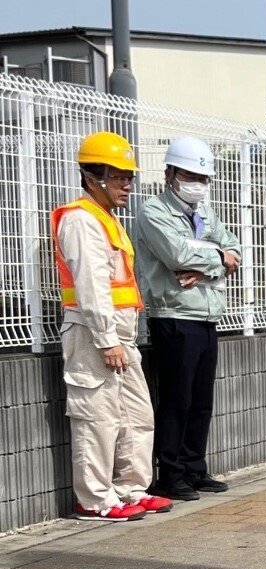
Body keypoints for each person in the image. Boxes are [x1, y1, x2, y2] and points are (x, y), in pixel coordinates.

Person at [52, 131, 172, 521]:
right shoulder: (81, 221)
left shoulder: (106, 221)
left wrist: (118, 337)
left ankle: (130, 489)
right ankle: (94, 500)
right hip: (93, 334)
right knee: (97, 417)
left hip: (119, 335)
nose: (127, 184)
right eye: (119, 176)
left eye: (129, 176)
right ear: (92, 177)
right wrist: (106, 339)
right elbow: (91, 286)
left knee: (136, 415)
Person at [133, 135, 241, 501]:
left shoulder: (206, 213)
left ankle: (195, 468)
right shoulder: (153, 211)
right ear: (170, 173)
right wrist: (217, 257)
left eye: (203, 177)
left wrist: (208, 265)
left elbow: (235, 249)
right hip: (174, 314)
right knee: (177, 398)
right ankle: (170, 473)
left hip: (207, 314)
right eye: (190, 174)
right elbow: (178, 254)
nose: (198, 182)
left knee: (201, 399)